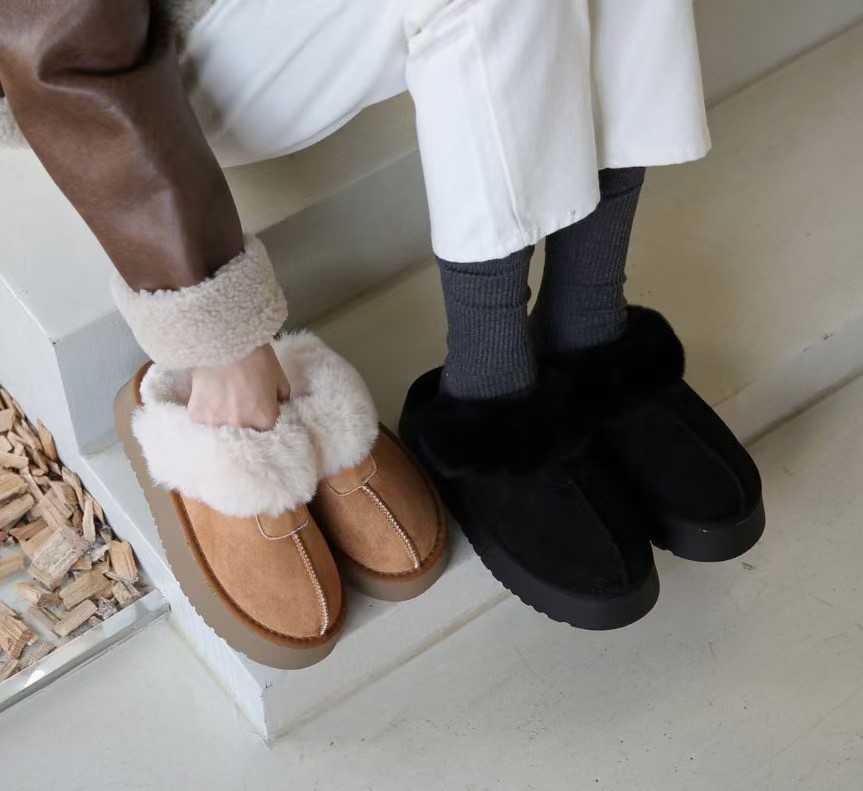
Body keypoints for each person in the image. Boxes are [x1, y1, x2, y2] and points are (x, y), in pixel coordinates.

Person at [0, 0, 763, 664]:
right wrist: (217, 335)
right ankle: (489, 383)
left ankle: (586, 324)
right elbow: (61, 40)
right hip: (120, 59)